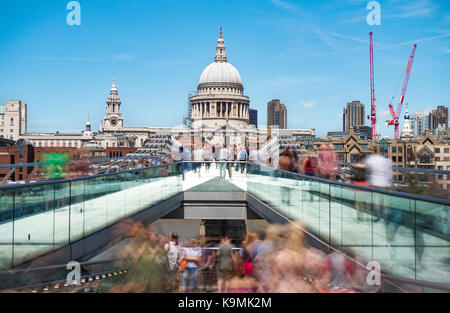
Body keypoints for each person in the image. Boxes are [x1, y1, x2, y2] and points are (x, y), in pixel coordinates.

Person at [363, 147, 393, 222]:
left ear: (374, 152)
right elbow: (390, 173)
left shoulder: (371, 159)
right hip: (385, 184)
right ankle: (386, 217)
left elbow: (365, 169)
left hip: (374, 184)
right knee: (385, 201)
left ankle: (379, 217)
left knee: (377, 202)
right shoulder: (386, 160)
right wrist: (391, 183)